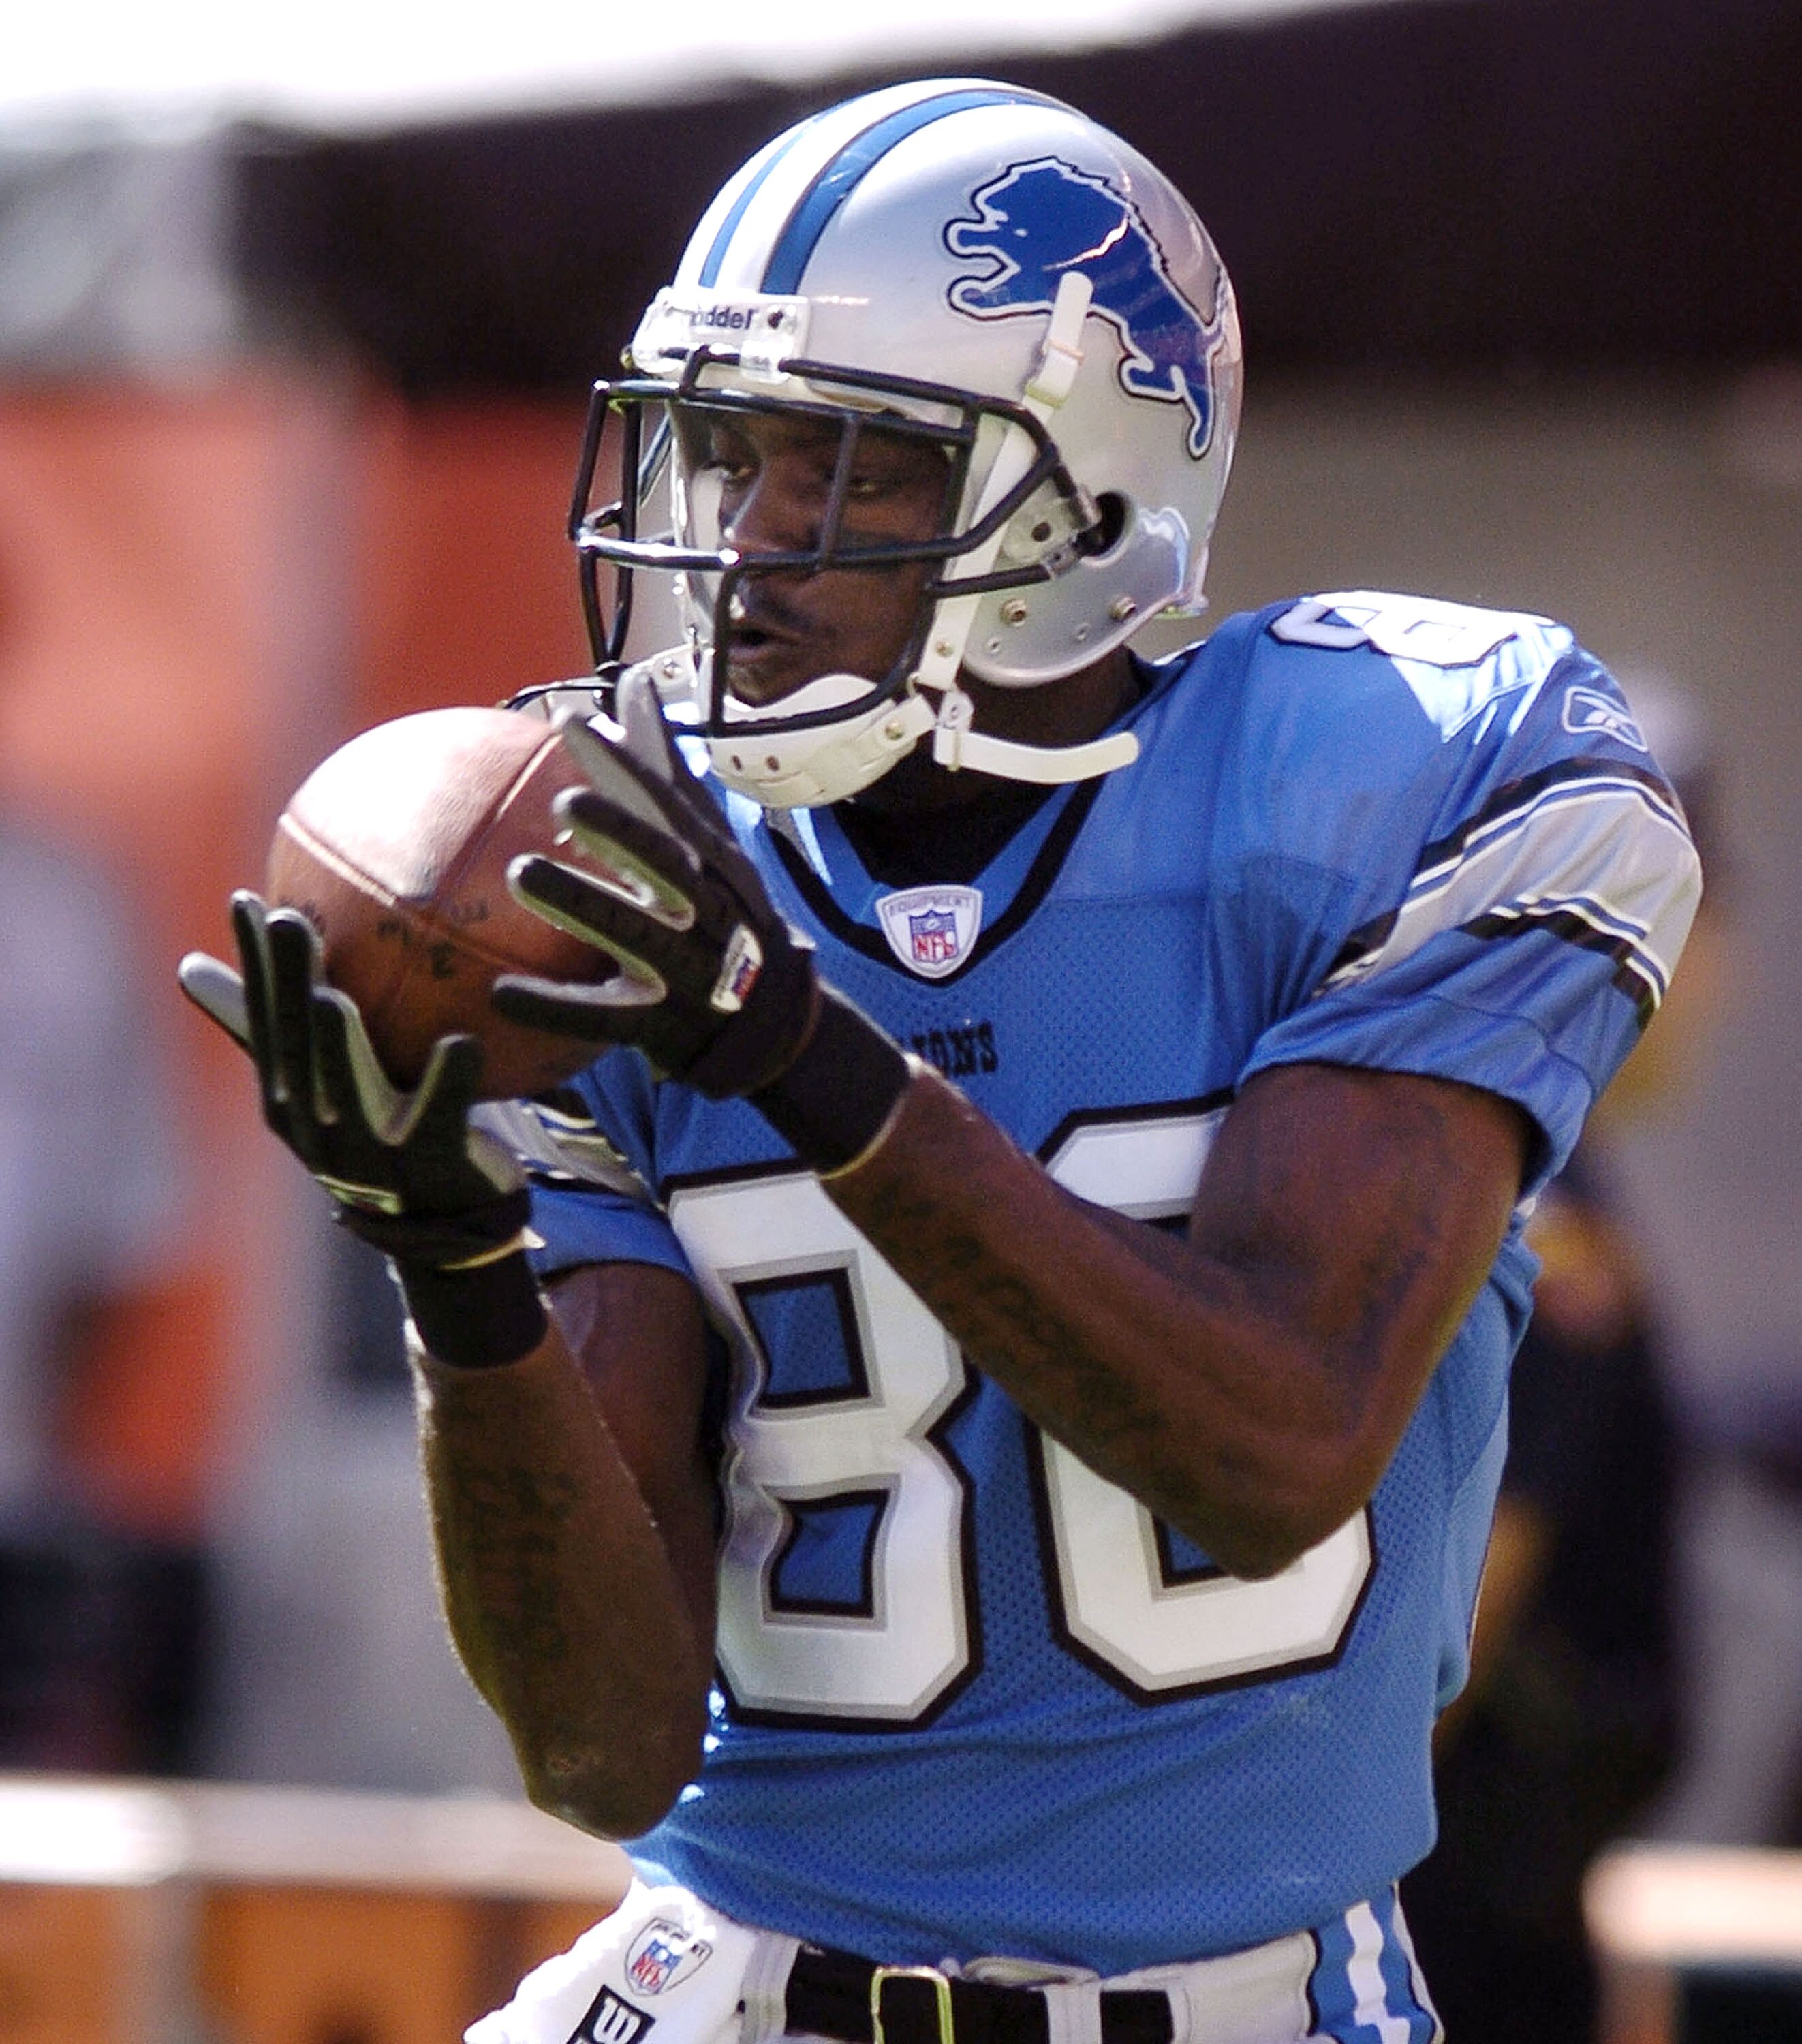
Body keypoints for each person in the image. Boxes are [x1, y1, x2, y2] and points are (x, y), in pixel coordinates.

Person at [181, 80, 1703, 2044]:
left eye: (861, 473)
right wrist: (457, 1277)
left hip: (1244, 2003)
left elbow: (1275, 1452)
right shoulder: (617, 871)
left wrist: (803, 1056)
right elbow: (600, 1753)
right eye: (729, 459)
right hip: (728, 1977)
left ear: (1089, 504)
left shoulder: (1412, 769)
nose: (758, 552)